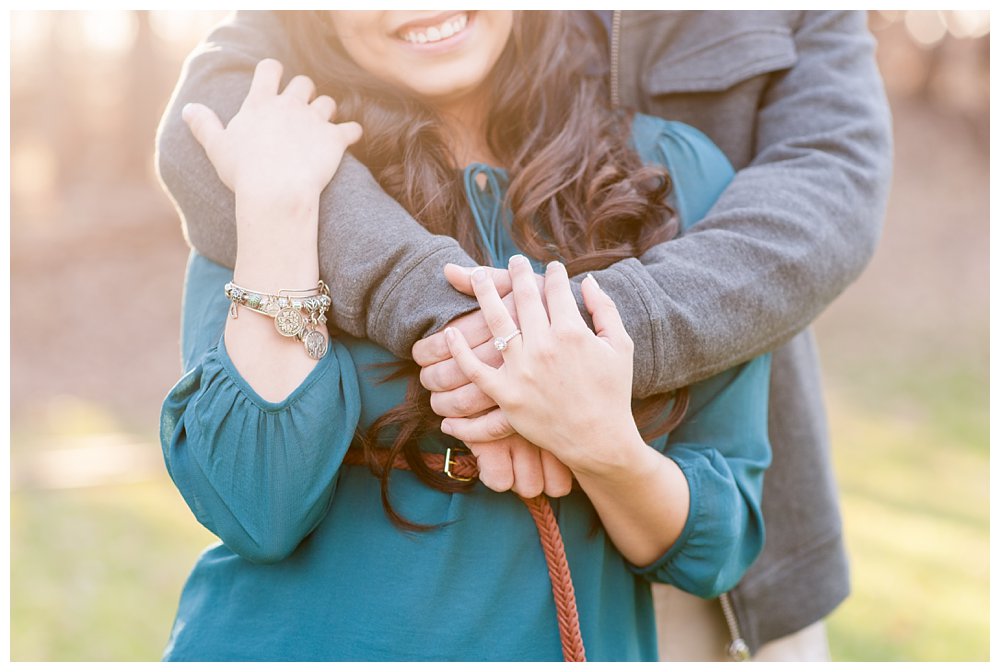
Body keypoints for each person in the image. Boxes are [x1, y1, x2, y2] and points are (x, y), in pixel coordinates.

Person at [157, 10, 892, 661]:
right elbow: (252, 505)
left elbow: (720, 537)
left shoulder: (679, 178)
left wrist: (589, 420)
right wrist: (282, 211)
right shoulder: (282, 162)